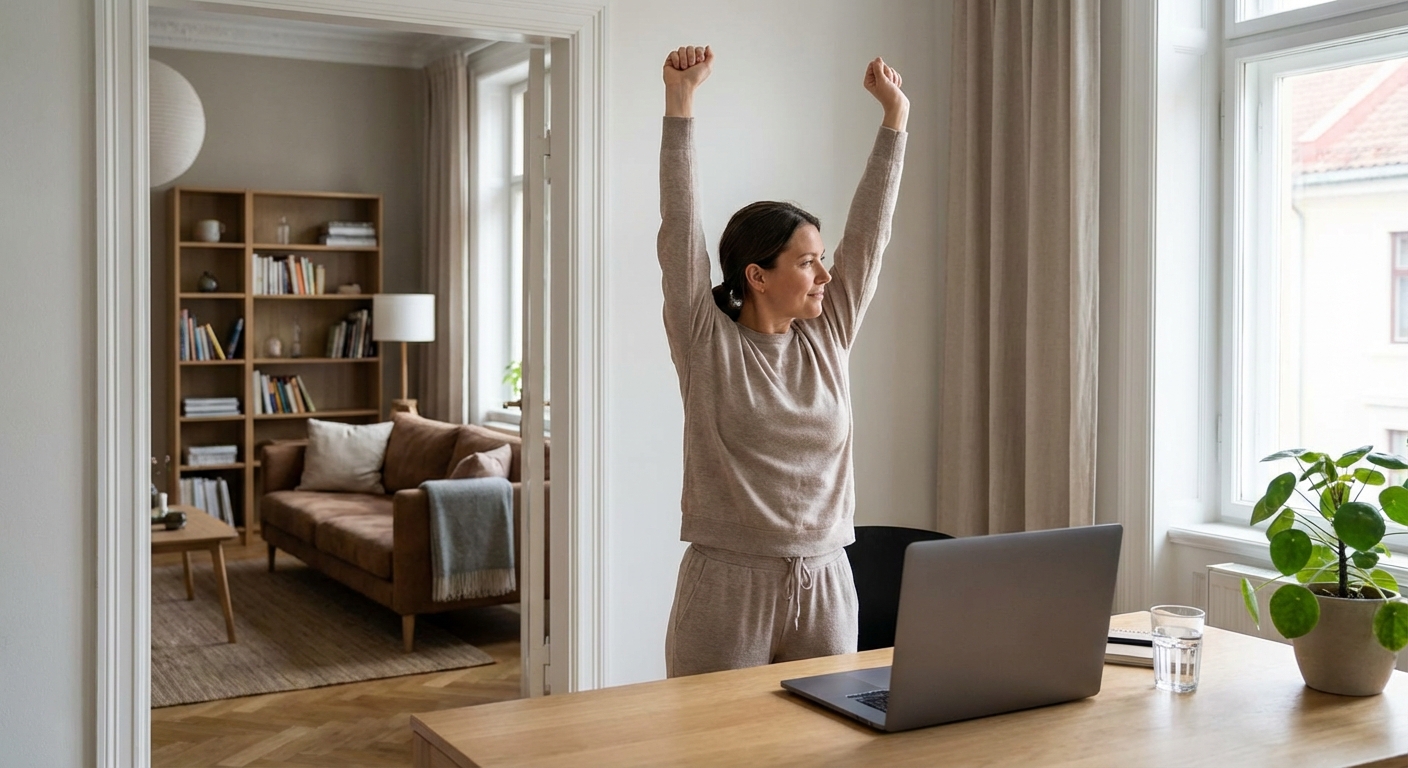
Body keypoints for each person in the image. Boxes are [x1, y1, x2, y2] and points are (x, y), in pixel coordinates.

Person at [657, 44, 909, 677]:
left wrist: (895, 119)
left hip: (827, 579)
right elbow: (679, 228)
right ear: (757, 276)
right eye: (806, 261)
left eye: (823, 258)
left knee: (825, 745)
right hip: (727, 583)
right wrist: (680, 103)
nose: (826, 273)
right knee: (717, 747)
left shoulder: (828, 334)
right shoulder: (706, 340)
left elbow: (871, 235)